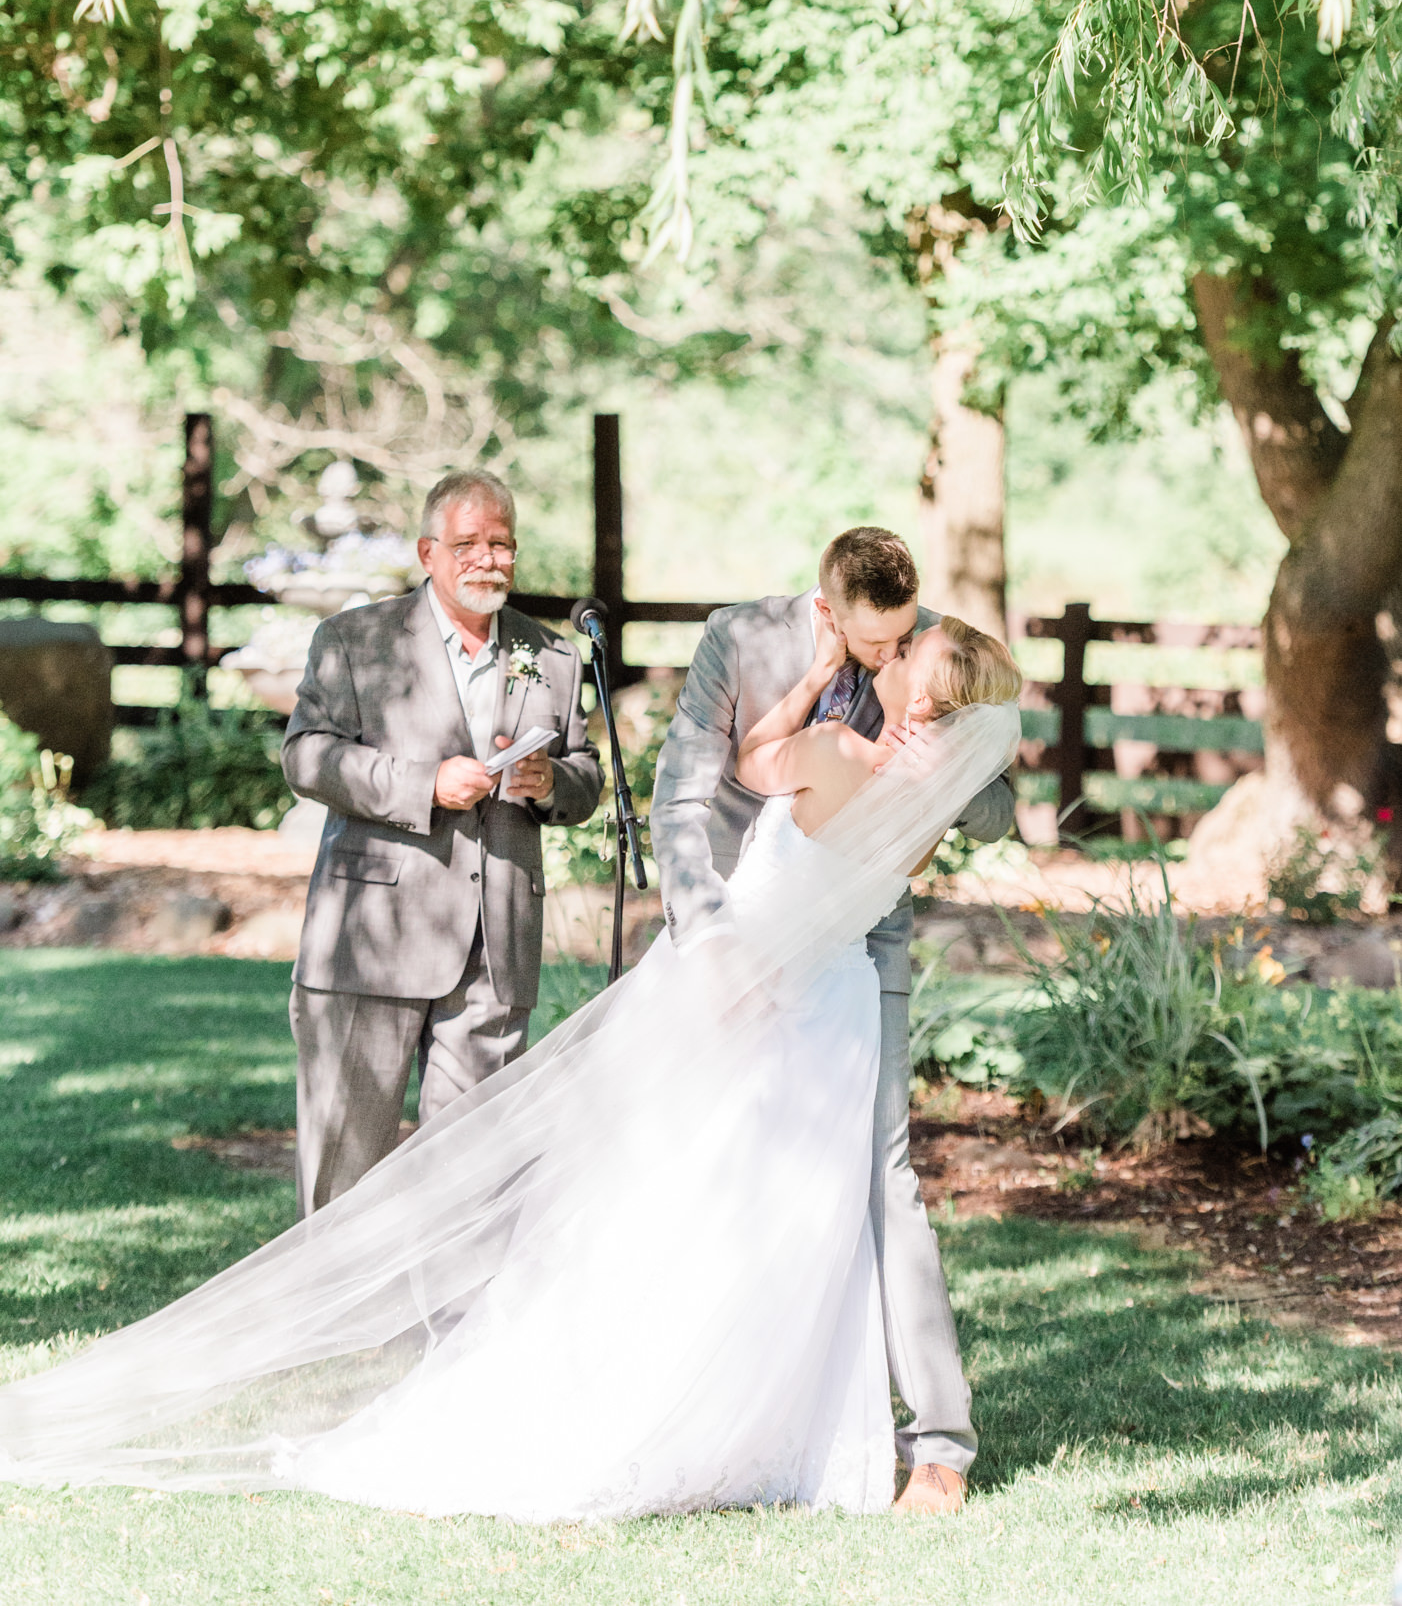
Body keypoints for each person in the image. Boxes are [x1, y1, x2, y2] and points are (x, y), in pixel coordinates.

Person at [0, 621, 1021, 1518]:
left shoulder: (835, 747)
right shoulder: (923, 807)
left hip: (733, 981)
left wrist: (815, 675)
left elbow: (752, 762)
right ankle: (761, 1426)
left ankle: (632, 1403)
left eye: (906, 663)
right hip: (831, 1009)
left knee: (658, 1190)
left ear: (916, 691)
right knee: (789, 1211)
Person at [649, 528, 1016, 1512]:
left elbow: (998, 808)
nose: (885, 654)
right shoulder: (740, 640)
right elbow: (686, 790)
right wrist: (708, 938)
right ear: (827, 609)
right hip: (741, 928)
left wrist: (935, 758)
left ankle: (940, 1443)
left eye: (900, 637)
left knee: (881, 1179)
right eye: (869, 641)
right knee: (710, 1154)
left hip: (863, 942)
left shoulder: (936, 654)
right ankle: (721, 1407)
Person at [280, 468, 603, 1215]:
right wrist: (423, 783)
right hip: (373, 939)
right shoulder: (356, 640)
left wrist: (547, 782)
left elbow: (585, 777)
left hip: (497, 947)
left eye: (501, 543)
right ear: (428, 552)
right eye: (467, 544)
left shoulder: (552, 655)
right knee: (342, 1169)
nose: (487, 559)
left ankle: (456, 1333)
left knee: (471, 1177)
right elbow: (305, 756)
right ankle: (335, 1330)